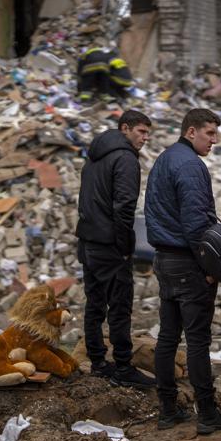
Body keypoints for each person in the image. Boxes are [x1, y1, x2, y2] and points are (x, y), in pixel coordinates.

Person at [144, 107, 221, 434]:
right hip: (187, 260)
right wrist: (211, 269)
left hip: (164, 259)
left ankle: (167, 409)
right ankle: (207, 413)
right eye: (209, 133)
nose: (215, 140)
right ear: (190, 131)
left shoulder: (165, 159)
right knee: (197, 340)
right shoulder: (191, 166)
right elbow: (197, 225)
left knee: (168, 336)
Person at [76, 110, 155, 388]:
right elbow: (124, 207)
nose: (145, 138)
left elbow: (84, 199)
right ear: (125, 128)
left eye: (148, 133)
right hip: (110, 244)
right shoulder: (125, 159)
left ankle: (97, 362)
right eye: (141, 132)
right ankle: (123, 367)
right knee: (119, 307)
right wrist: (125, 246)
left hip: (88, 241)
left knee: (95, 304)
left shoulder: (94, 156)